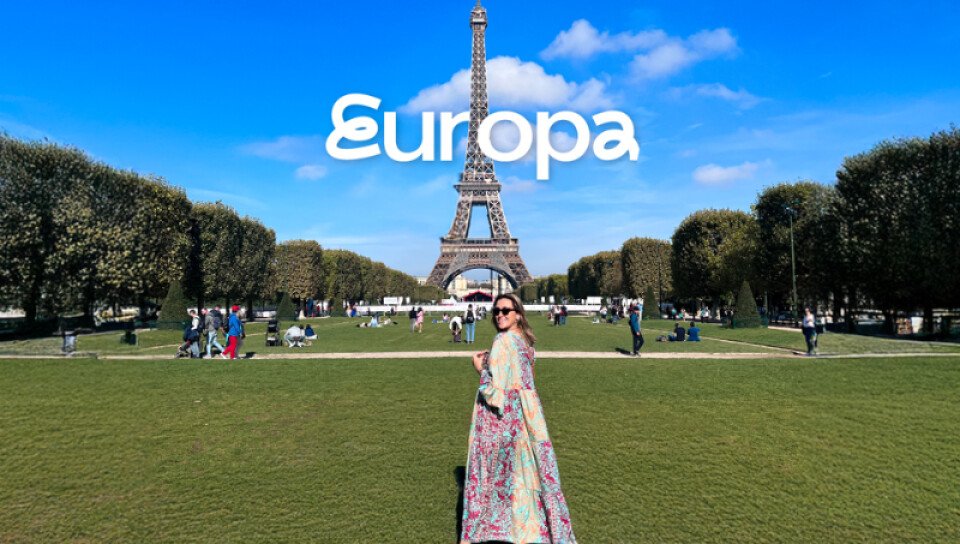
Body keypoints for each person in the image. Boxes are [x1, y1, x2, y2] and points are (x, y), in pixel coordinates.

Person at [460, 294, 576, 543]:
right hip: (528, 415)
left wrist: (480, 370)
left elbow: (496, 394)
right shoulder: (526, 344)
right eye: (496, 311)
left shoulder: (502, 341)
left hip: (502, 419)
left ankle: (492, 528)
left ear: (518, 314)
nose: (499, 315)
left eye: (505, 310)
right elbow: (527, 383)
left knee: (493, 473)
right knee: (528, 472)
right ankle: (534, 529)